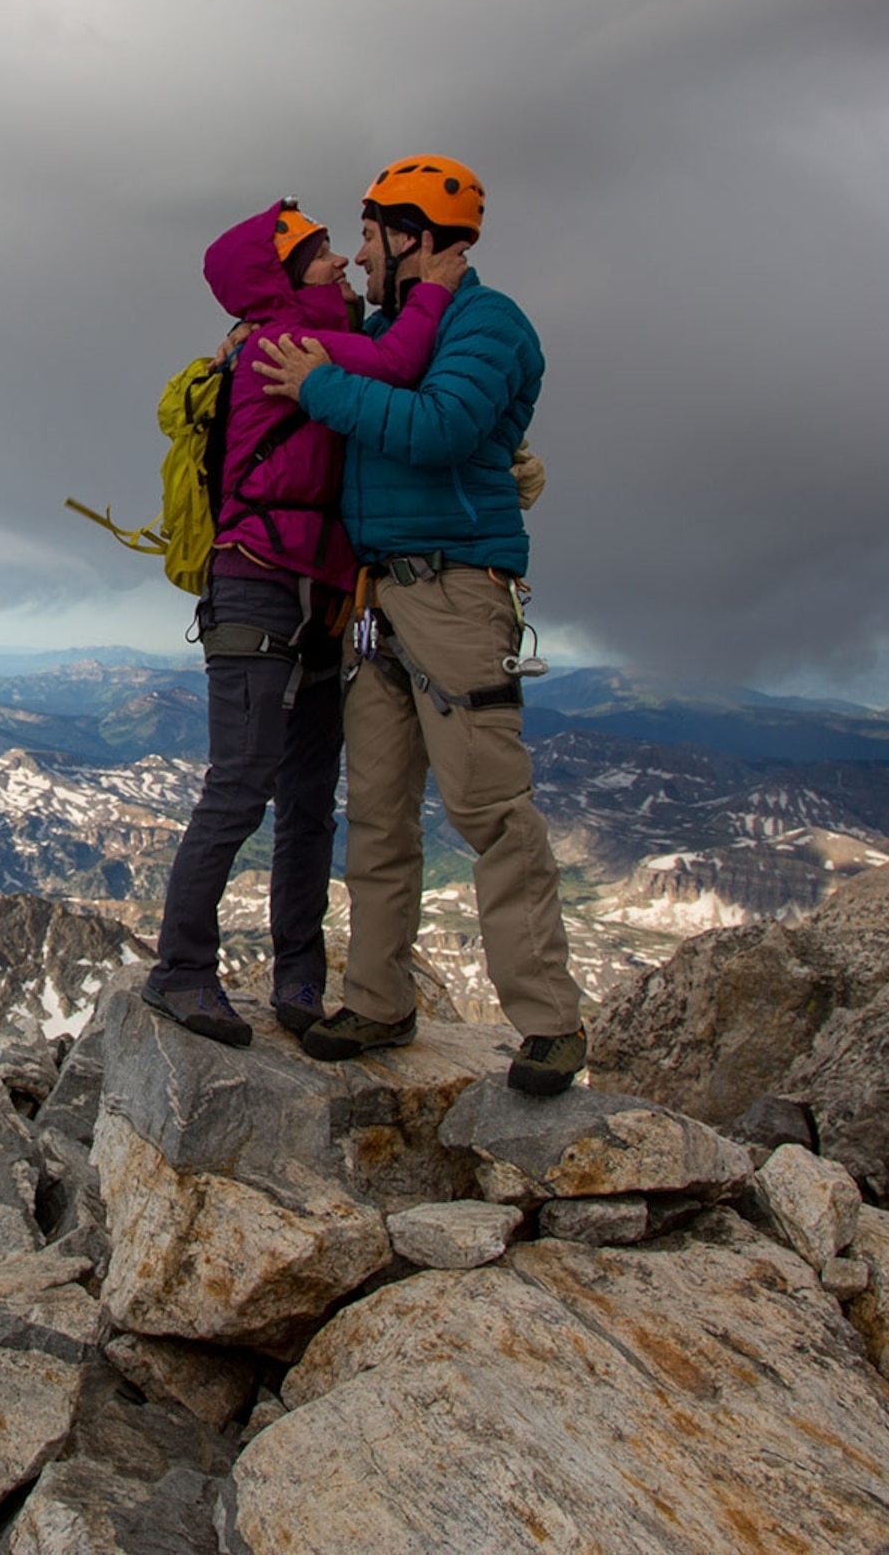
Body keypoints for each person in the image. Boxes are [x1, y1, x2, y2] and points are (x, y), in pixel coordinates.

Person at [251, 154, 588, 1095]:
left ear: (417, 237)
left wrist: (320, 387)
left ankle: (549, 1023)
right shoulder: (396, 328)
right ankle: (378, 1000)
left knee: (487, 806)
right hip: (378, 597)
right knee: (383, 812)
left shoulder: (490, 321)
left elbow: (441, 427)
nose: (357, 259)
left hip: (456, 592)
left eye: (368, 237)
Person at [139, 199, 470, 1048]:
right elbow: (399, 362)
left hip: (319, 592)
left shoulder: (303, 336)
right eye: (318, 252)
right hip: (256, 585)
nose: (335, 262)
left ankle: (298, 976)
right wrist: (435, 286)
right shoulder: (286, 345)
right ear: (281, 276)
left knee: (309, 800)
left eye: (333, 248)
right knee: (243, 784)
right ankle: (180, 971)